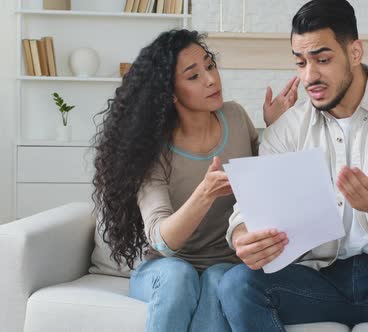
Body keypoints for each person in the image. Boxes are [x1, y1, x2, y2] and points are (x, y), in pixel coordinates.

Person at [218, 1, 368, 331]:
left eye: (323, 59)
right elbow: (248, 214)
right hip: (316, 281)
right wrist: (245, 238)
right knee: (237, 283)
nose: (309, 76)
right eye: (301, 62)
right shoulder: (286, 130)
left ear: (356, 52)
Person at [91, 29, 299, 332]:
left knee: (220, 278)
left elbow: (265, 180)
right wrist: (205, 192)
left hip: (226, 265)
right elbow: (163, 241)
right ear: (170, 92)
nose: (211, 79)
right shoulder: (152, 149)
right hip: (165, 269)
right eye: (193, 76)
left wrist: (275, 128)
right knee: (180, 275)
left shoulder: (236, 118)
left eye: (210, 65)